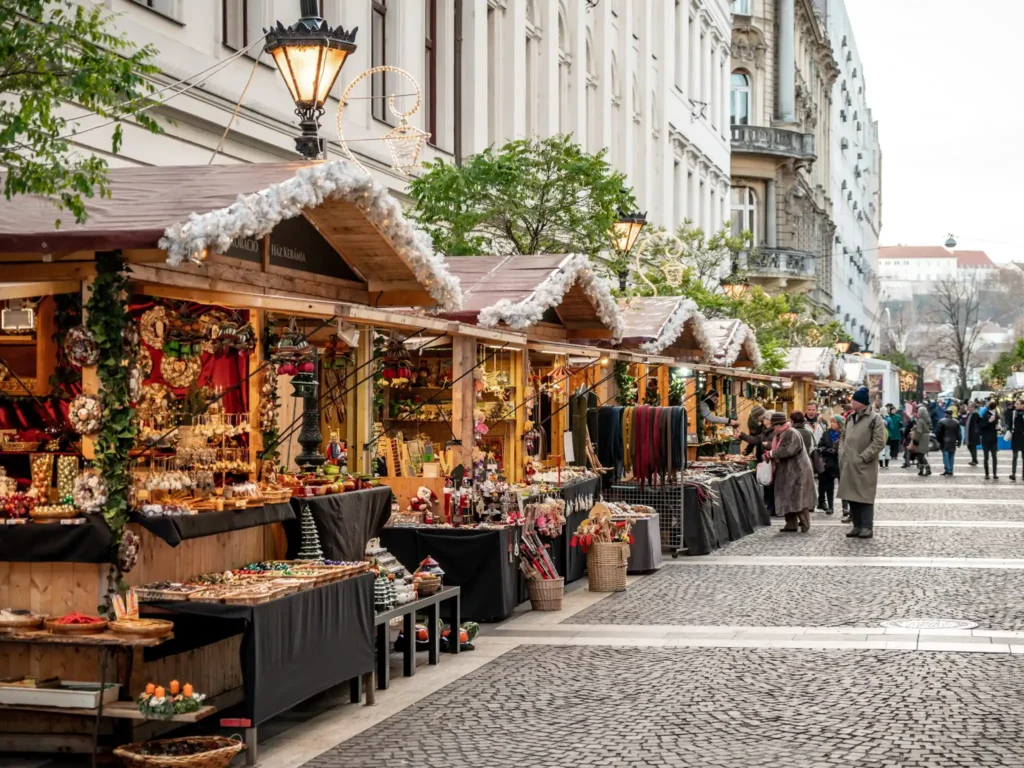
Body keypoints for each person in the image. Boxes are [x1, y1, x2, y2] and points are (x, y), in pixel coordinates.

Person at [838, 386, 888, 539]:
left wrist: (863, 457)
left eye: (854, 400)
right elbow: (843, 437)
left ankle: (867, 526)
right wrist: (842, 453)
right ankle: (856, 525)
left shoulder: (875, 418)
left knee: (865, 496)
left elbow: (879, 442)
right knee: (851, 495)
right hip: (848, 463)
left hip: (864, 465)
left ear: (862, 402)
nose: (851, 402)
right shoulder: (850, 418)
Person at [766, 411, 816, 533]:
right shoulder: (782, 433)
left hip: (798, 471)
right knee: (787, 496)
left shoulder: (791, 433)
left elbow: (788, 450)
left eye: (774, 425)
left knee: (798, 497)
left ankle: (805, 523)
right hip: (788, 470)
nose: (772, 428)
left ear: (779, 424)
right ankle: (791, 524)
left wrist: (771, 453)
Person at [817, 414, 843, 515]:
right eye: (831, 421)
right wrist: (827, 450)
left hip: (840, 462)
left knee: (843, 486)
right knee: (829, 486)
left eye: (835, 422)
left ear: (839, 423)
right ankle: (830, 506)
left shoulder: (843, 434)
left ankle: (845, 508)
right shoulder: (826, 434)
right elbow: (820, 446)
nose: (832, 424)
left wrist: (837, 450)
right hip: (828, 463)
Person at [934, 407, 962, 476]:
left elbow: (937, 432)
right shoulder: (956, 422)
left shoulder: (941, 421)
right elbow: (959, 433)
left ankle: (947, 469)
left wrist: (939, 440)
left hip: (944, 441)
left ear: (946, 414)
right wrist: (959, 442)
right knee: (951, 456)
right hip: (953, 441)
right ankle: (950, 469)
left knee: (945, 456)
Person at [979, 399, 1001, 480]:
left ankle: (995, 474)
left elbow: (997, 425)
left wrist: (998, 428)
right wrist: (988, 421)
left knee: (994, 457)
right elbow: (981, 426)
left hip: (993, 439)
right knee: (986, 457)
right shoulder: (985, 414)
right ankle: (987, 474)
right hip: (985, 439)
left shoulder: (997, 415)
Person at [911, 405, 933, 477]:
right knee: (921, 454)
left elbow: (919, 431)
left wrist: (915, 439)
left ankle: (926, 468)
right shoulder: (928, 419)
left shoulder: (920, 420)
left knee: (920, 455)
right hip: (926, 437)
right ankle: (922, 469)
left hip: (921, 438)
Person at [883, 404, 902, 469]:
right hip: (890, 433)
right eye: (893, 410)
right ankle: (891, 454)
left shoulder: (898, 416)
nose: (894, 411)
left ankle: (895, 455)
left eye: (895, 410)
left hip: (896, 432)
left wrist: (901, 424)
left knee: (896, 445)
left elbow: (901, 424)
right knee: (890, 445)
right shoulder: (888, 417)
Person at [1011, 401, 1024, 481]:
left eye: (1018, 404)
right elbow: (1010, 423)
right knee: (1014, 456)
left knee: (1023, 457)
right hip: (1015, 436)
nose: (1016, 405)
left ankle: (1023, 474)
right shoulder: (1013, 413)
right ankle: (1013, 473)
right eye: (1015, 404)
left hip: (1023, 436)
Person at [965, 402, 981, 466]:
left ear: (973, 408)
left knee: (973, 447)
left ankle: (974, 460)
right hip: (969, 433)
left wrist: (976, 432)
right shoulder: (969, 414)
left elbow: (977, 424)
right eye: (968, 407)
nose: (969, 408)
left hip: (973, 434)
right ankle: (974, 459)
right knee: (969, 446)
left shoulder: (975, 414)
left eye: (970, 407)